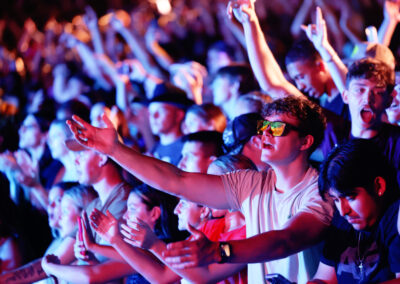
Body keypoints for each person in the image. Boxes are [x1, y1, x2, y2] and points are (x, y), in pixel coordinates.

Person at [67, 94, 333, 283]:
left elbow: (285, 240)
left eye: (277, 128)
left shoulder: (319, 191)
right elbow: (177, 181)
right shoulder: (251, 183)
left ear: (305, 141)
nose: (264, 134)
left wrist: (222, 250)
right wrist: (115, 150)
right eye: (264, 126)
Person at [309, 139, 400, 283]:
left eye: (350, 197)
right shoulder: (342, 221)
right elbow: (324, 278)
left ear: (378, 186)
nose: (344, 211)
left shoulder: (395, 219)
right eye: (336, 200)